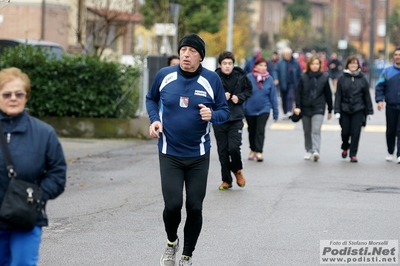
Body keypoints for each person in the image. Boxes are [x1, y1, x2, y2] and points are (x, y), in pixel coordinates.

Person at [146, 33, 229, 266]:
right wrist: (154, 119)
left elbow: (224, 111)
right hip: (169, 152)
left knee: (194, 205)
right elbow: (151, 99)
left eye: (192, 51)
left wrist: (212, 114)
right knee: (172, 205)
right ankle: (172, 242)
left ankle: (187, 255)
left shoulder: (211, 80)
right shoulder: (164, 75)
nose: (186, 54)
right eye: (183, 50)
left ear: (200, 57)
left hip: (198, 155)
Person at [0, 67, 67, 265]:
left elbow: (57, 174)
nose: (13, 98)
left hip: (26, 218)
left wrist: (37, 196)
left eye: (19, 94)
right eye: (6, 94)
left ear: (26, 97)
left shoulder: (43, 133)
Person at [214, 51, 252, 190]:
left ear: (233, 64)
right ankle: (226, 180)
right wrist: (220, 96)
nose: (227, 66)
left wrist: (239, 97)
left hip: (236, 117)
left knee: (234, 148)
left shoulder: (241, 76)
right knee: (222, 151)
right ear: (220, 65)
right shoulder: (214, 77)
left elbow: (249, 91)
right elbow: (207, 95)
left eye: (230, 63)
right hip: (219, 118)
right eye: (225, 63)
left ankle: (237, 171)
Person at [334, 56, 374, 163]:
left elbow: (366, 96)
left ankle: (353, 154)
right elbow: (338, 95)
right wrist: (337, 110)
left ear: (358, 65)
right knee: (345, 132)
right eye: (351, 63)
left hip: (358, 109)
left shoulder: (362, 79)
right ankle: (345, 146)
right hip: (345, 109)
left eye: (355, 63)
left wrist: (369, 111)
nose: (353, 65)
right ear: (347, 65)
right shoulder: (342, 78)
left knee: (356, 133)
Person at [294, 55, 333, 162]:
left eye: (317, 64)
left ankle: (316, 150)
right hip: (305, 107)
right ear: (309, 65)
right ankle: (308, 149)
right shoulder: (303, 77)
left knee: (315, 130)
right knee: (307, 130)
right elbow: (298, 93)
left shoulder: (324, 77)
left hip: (318, 107)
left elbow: (328, 94)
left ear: (320, 65)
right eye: (313, 64)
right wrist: (297, 106)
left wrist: (330, 109)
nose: (315, 66)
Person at [244, 57, 279, 162]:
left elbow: (273, 96)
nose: (263, 68)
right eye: (260, 65)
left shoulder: (269, 79)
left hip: (264, 108)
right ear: (255, 66)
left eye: (265, 66)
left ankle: (259, 151)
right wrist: (243, 108)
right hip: (250, 109)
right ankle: (252, 149)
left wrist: (275, 112)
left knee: (260, 130)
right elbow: (244, 94)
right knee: (251, 130)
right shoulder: (248, 78)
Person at [375, 47, 400, 163]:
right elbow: (380, 86)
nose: (398, 56)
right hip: (391, 105)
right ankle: (390, 151)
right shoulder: (387, 71)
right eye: (396, 54)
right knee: (391, 130)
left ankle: (399, 154)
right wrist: (379, 100)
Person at [273, 47, 302, 118]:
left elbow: (299, 73)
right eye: (285, 54)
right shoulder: (280, 62)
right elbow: (275, 71)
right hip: (283, 83)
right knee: (284, 98)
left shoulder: (295, 62)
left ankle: (289, 110)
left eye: (288, 54)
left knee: (290, 97)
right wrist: (276, 78)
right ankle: (285, 111)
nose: (287, 55)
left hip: (292, 83)